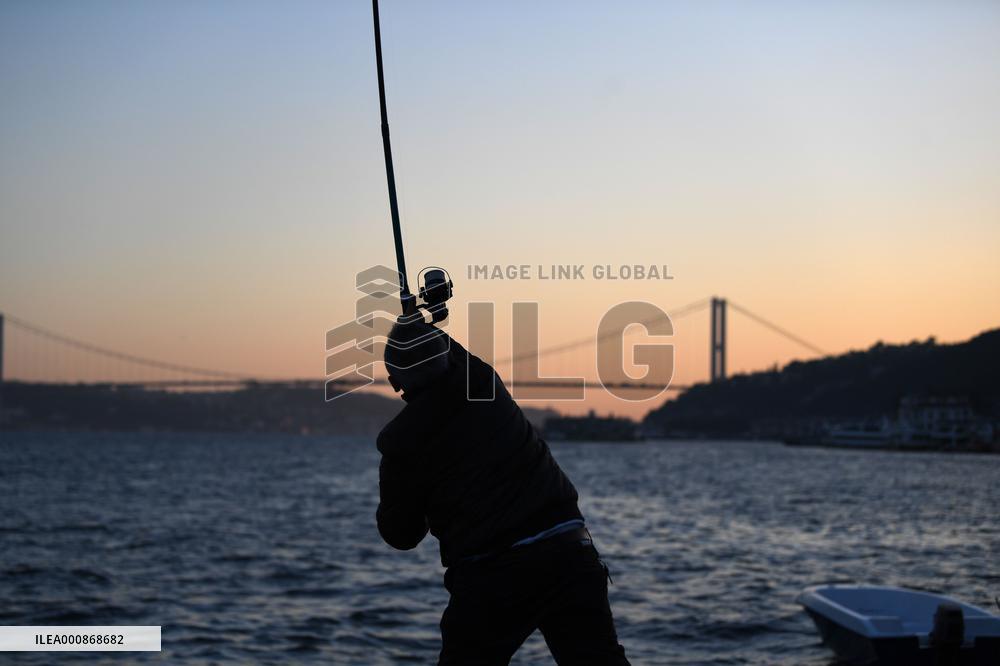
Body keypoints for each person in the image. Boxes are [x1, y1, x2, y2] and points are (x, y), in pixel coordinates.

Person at [376, 317, 630, 665]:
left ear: (394, 383)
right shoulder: (481, 380)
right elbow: (453, 354)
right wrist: (421, 321)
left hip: (491, 578)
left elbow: (401, 535)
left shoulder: (399, 442)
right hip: (569, 552)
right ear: (447, 357)